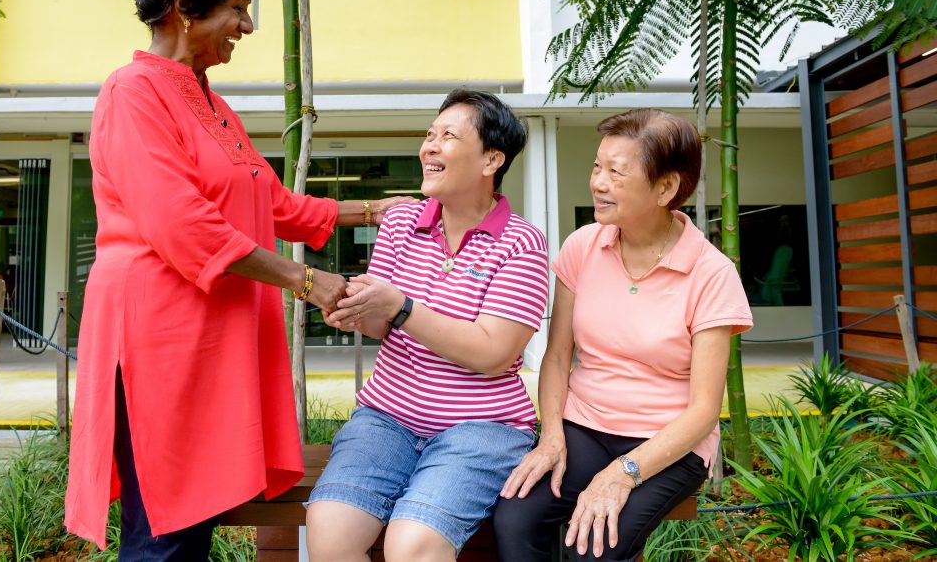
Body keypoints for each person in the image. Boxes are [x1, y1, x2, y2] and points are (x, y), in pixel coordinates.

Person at [64, 0, 409, 560]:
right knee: (166, 529)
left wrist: (375, 208)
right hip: (158, 341)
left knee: (193, 521)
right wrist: (309, 282)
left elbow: (271, 203)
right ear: (184, 10)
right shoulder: (132, 91)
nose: (246, 25)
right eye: (237, 6)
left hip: (209, 338)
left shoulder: (211, 103)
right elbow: (184, 225)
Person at [494, 109, 753, 561]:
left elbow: (704, 411)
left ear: (665, 187)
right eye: (598, 167)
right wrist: (552, 435)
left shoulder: (712, 273)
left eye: (616, 172)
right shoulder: (583, 245)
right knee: (514, 519)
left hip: (669, 441)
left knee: (593, 549)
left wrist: (623, 472)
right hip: (584, 426)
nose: (598, 182)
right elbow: (556, 359)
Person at [306, 89, 550, 562]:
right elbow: (382, 324)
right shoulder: (400, 221)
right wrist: (353, 308)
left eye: (448, 137)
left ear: (491, 160)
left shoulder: (522, 242)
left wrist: (401, 306)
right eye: (429, 135)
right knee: (329, 534)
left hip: (481, 428)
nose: (429, 147)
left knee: (411, 545)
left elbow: (492, 352)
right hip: (386, 419)